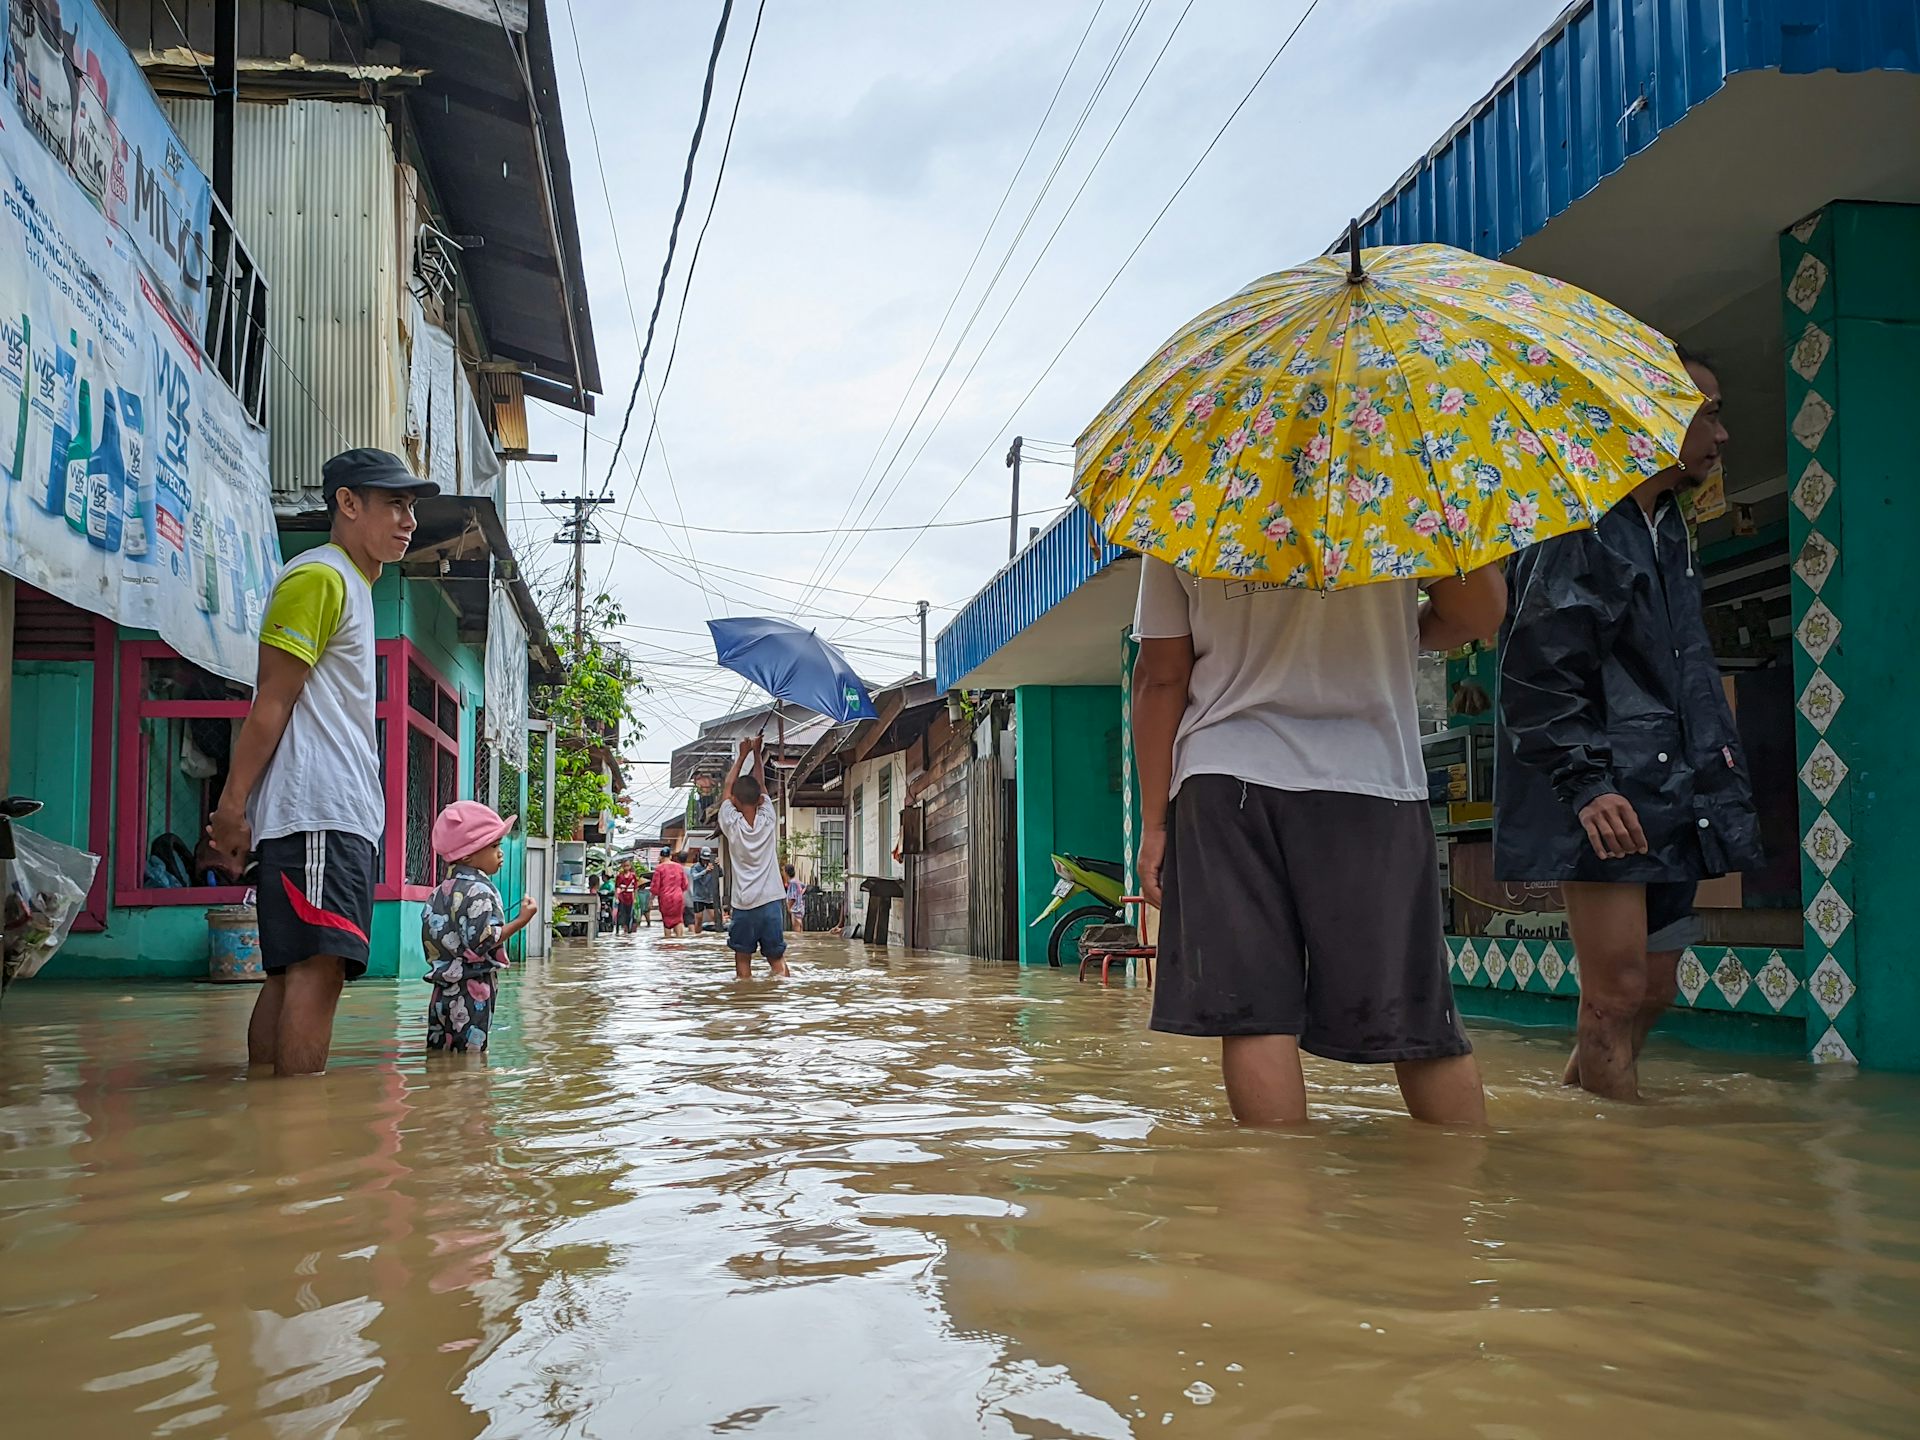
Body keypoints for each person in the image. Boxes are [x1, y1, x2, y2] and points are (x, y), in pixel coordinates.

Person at [1132, 556, 1506, 1126]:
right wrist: (1399, 629)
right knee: (1417, 1015)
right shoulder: (1408, 504)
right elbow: (1479, 613)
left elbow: (1160, 677)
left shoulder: (1178, 516)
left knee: (1254, 1015)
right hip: (1371, 776)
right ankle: (1464, 1176)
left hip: (1226, 775)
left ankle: (1279, 1181)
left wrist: (1154, 823)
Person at [1494, 351, 1761, 1101]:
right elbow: (1538, 668)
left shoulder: (1667, 526)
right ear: (1649, 415)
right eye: (1708, 413)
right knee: (1614, 992)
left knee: (1656, 987)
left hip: (1673, 785)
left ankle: (1581, 1116)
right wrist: (1585, 782)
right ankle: (1613, 1162)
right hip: (1605, 790)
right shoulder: (1577, 524)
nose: (1722, 435)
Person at [208, 448, 437, 1076]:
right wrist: (231, 808)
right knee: (317, 971)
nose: (409, 520)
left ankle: (270, 1113)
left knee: (295, 972)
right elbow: (271, 701)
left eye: (411, 507)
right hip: (318, 814)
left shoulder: (352, 586)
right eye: (395, 503)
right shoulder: (320, 577)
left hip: (329, 815)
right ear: (348, 503)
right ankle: (297, 1118)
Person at [422, 801, 538, 1053]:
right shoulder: (480, 891)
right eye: (494, 846)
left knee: (439, 1054)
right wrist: (521, 920)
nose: (501, 853)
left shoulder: (438, 892)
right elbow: (485, 941)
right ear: (467, 855)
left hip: (441, 990)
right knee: (471, 1059)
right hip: (473, 989)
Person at [719, 737, 789, 979]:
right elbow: (761, 787)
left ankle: (746, 999)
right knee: (777, 960)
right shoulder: (768, 820)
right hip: (771, 902)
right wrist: (757, 755)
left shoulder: (731, 824)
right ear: (760, 800)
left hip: (744, 905)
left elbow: (728, 788)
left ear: (735, 802)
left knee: (742, 961)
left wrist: (742, 755)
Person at [652, 846, 690, 936]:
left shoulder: (659, 868)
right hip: (678, 897)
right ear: (670, 856)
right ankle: (679, 940)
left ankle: (667, 940)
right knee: (679, 920)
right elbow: (685, 885)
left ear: (661, 857)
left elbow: (655, 888)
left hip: (665, 898)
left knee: (667, 921)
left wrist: (651, 899)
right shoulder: (679, 867)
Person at [688, 848, 721, 932]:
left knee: (716, 918)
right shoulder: (695, 867)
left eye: (707, 860)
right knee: (699, 919)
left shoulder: (713, 865)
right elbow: (694, 877)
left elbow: (721, 874)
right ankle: (698, 935)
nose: (705, 861)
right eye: (704, 859)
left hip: (710, 897)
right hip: (698, 897)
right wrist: (705, 871)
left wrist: (718, 866)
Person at [614, 859, 640, 936]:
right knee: (620, 913)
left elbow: (635, 888)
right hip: (622, 897)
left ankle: (629, 929)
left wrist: (635, 898)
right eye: (625, 866)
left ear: (630, 866)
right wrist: (616, 897)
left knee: (629, 914)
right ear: (622, 866)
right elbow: (617, 887)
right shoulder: (619, 876)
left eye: (628, 866)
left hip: (630, 897)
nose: (626, 867)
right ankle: (618, 930)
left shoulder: (633, 876)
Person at [784, 864, 805, 933]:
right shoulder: (797, 881)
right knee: (800, 928)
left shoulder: (792, 883)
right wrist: (800, 894)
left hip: (795, 909)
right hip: (800, 907)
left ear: (786, 873)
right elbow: (805, 886)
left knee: (797, 931)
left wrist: (789, 908)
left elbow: (792, 898)